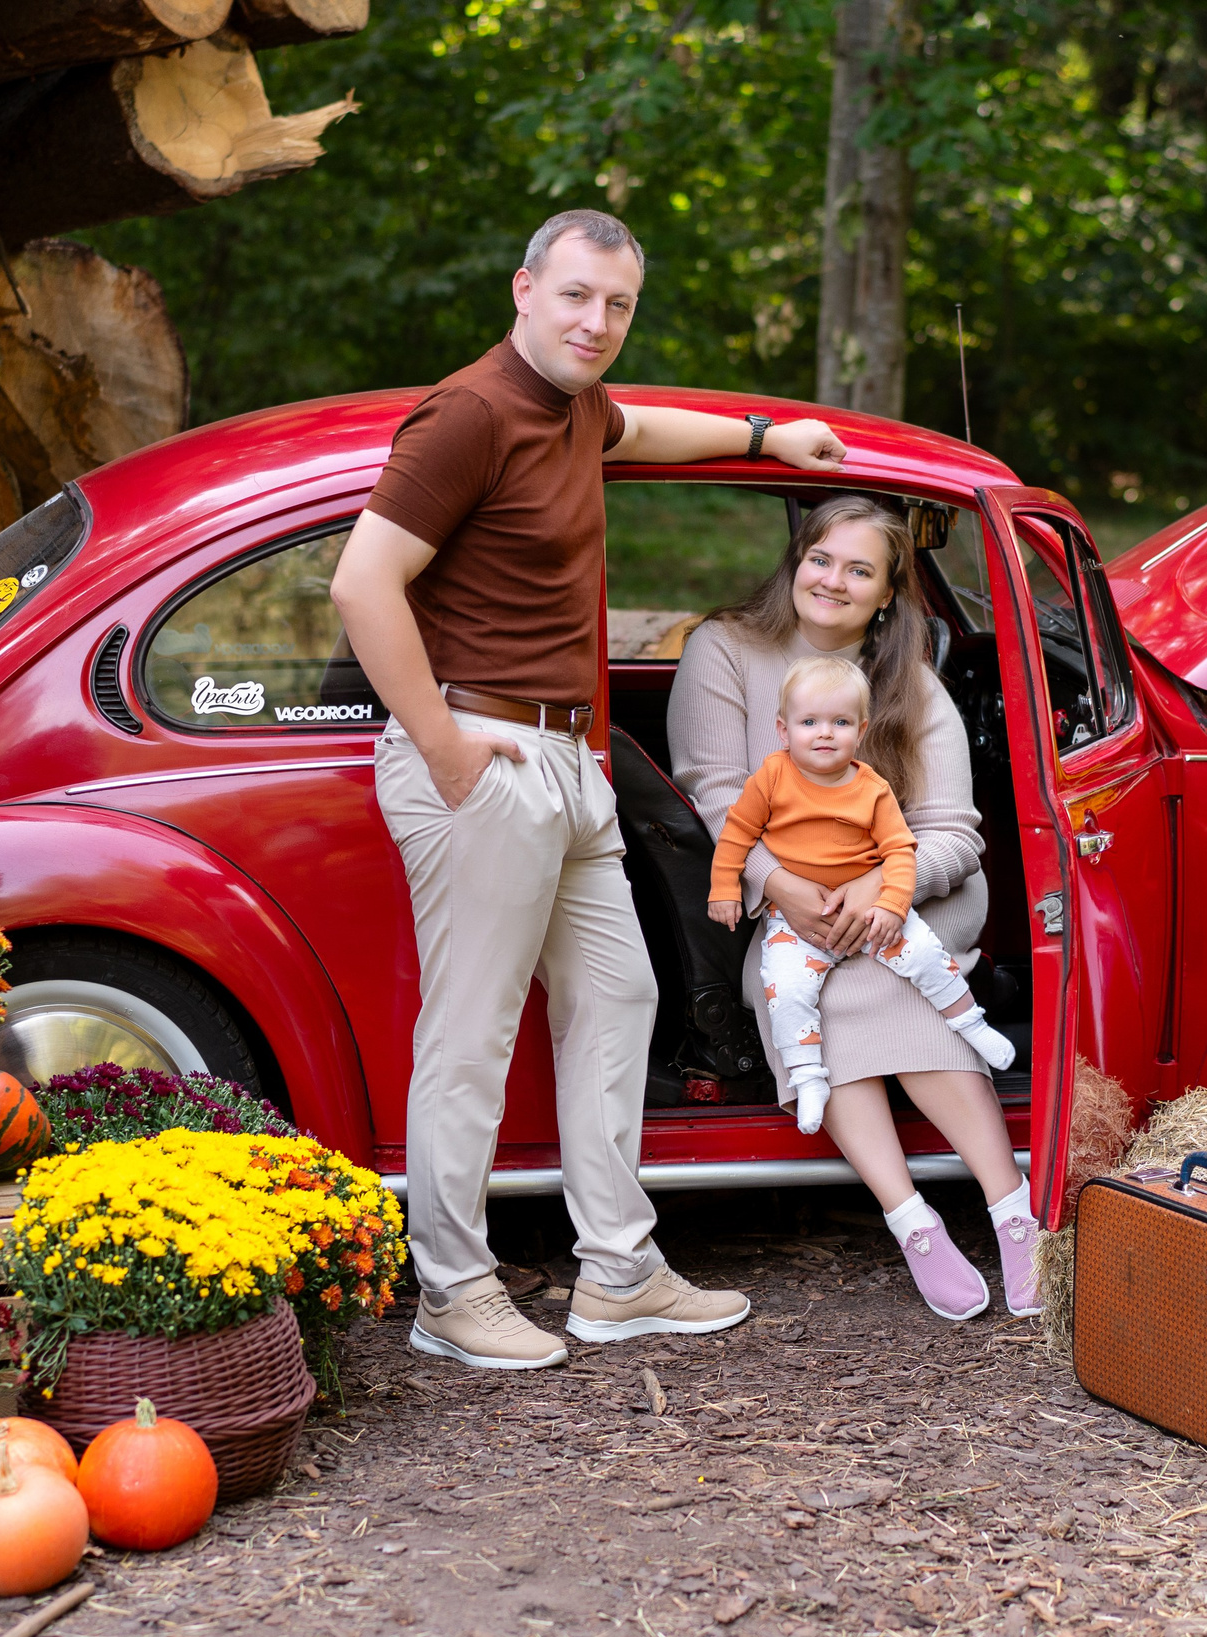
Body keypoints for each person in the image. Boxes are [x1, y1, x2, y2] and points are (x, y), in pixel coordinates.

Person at [330, 209, 850, 1372]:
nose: (595, 322)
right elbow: (363, 584)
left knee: (617, 1000)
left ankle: (617, 1271)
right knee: (467, 1037)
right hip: (484, 755)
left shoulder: (570, 408)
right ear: (523, 289)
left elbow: (643, 428)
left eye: (617, 304)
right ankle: (452, 1292)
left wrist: (770, 435)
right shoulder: (468, 413)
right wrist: (445, 747)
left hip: (571, 763)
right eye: (575, 296)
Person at [668, 496, 1040, 1321]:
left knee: (877, 970)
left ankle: (1012, 1212)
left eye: (860, 570)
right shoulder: (723, 648)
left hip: (919, 892)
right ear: (795, 560)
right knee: (827, 986)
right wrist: (788, 889)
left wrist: (878, 891)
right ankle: (912, 1218)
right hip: (787, 895)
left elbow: (954, 835)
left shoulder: (909, 683)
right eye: (822, 559)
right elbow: (717, 794)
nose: (833, 581)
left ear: (887, 593)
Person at [708, 654, 1015, 1144]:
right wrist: (724, 889)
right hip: (795, 920)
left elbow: (900, 851)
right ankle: (808, 1077)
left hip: (871, 909)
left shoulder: (871, 788)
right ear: (784, 731)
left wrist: (892, 908)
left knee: (929, 959)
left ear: (861, 729)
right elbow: (737, 835)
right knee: (786, 991)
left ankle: (972, 1026)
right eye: (810, 722)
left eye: (840, 723)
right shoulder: (771, 778)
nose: (824, 733)